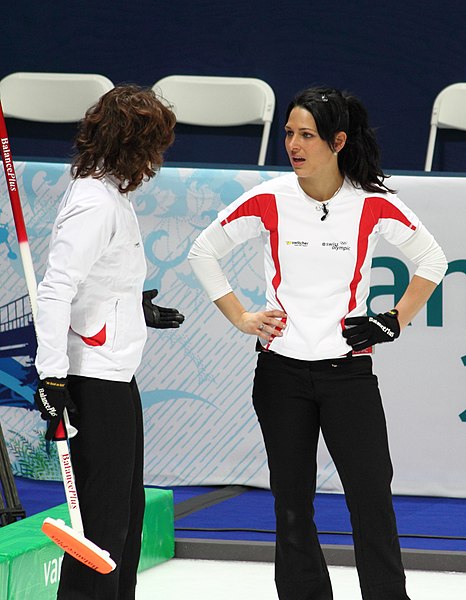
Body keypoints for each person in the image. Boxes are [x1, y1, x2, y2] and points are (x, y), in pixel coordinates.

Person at [188, 86, 447, 600]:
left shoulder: (372, 202)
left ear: (338, 141)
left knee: (371, 499)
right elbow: (203, 251)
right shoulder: (269, 198)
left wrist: (393, 320)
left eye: (307, 134)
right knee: (291, 504)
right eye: (288, 133)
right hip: (280, 376)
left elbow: (433, 261)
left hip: (348, 378)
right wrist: (240, 316)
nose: (294, 144)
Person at [34, 84, 184, 600]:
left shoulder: (110, 192)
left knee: (126, 512)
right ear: (133, 144)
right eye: (155, 145)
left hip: (116, 371)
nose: (159, 158)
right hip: (92, 378)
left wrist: (134, 310)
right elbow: (56, 289)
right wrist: (51, 373)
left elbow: (99, 281)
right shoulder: (95, 204)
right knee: (102, 521)